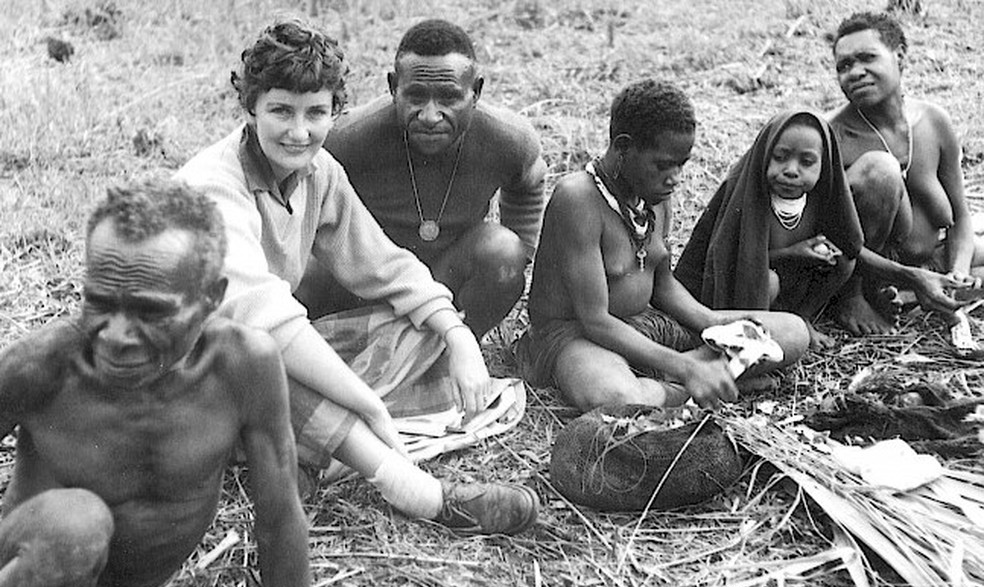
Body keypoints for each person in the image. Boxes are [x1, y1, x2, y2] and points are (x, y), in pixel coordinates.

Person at [175, 20, 537, 535]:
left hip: (260, 355)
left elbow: (384, 265)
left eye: (315, 113)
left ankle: (290, 448)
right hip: (190, 371)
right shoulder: (214, 184)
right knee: (265, 358)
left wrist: (459, 335)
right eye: (280, 111)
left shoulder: (317, 170)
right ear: (250, 106)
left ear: (333, 112)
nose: (299, 132)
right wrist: (363, 400)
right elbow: (263, 317)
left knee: (415, 330)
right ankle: (423, 495)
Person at [0, 182, 308, 587]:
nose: (116, 336)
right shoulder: (44, 366)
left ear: (211, 298)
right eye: (99, 304)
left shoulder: (243, 367)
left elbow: (280, 521)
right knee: (74, 523)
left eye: (150, 312)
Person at [515, 80, 810, 412]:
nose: (675, 177)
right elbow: (595, 320)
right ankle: (700, 382)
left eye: (681, 165)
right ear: (623, 148)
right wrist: (686, 366)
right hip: (577, 338)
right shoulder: (578, 199)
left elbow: (664, 286)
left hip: (647, 324)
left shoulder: (653, 197)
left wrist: (712, 323)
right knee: (615, 397)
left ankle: (680, 383)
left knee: (792, 332)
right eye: (663, 165)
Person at [313, 18, 547, 338]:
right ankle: (338, 341)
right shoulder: (348, 139)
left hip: (446, 273)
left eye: (449, 98)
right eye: (416, 96)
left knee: (504, 253)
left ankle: (454, 345)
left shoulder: (507, 139)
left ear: (475, 92)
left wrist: (524, 251)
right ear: (394, 87)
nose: (430, 116)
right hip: (367, 276)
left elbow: (529, 184)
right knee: (304, 273)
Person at [826, 11, 984, 336]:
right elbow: (831, 238)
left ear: (899, 56)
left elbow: (961, 217)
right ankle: (855, 298)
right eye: (844, 66)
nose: (855, 72)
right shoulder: (833, 136)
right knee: (881, 170)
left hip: (931, 260)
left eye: (867, 57)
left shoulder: (933, 121)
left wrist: (957, 273)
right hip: (868, 270)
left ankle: (921, 294)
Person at [674, 110, 864, 349]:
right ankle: (752, 345)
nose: (791, 170)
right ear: (764, 155)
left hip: (789, 286)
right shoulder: (745, 192)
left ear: (824, 165)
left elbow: (852, 247)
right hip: (740, 290)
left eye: (806, 162)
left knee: (844, 260)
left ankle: (800, 318)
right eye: (780, 157)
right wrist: (790, 254)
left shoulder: (820, 197)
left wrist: (905, 274)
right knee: (768, 280)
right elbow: (728, 261)